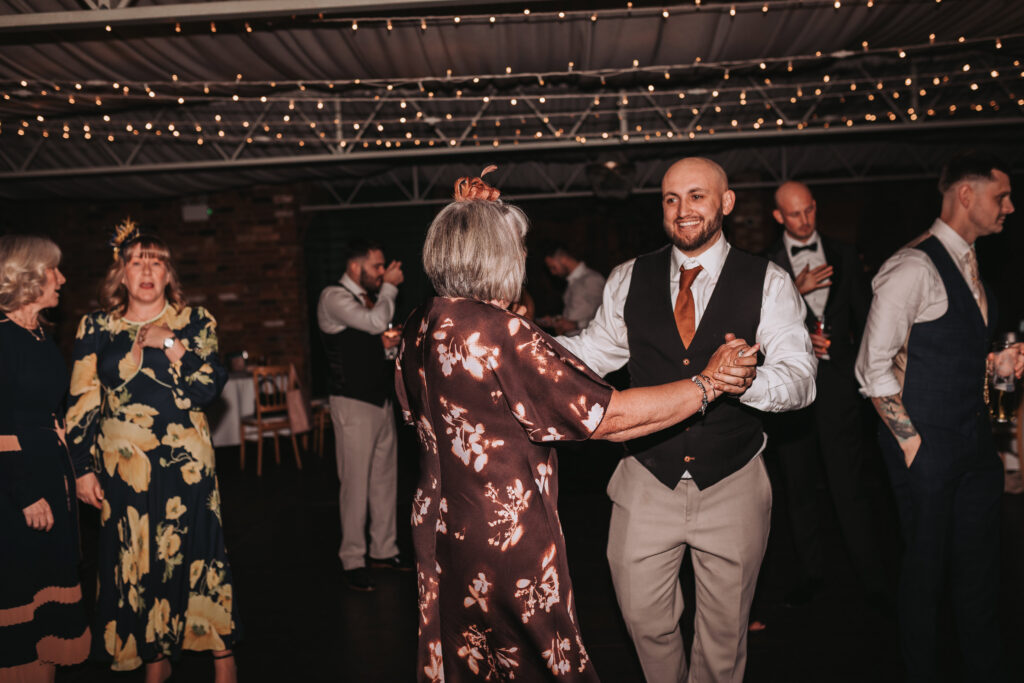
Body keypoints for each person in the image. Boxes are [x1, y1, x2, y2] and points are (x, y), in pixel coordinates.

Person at [395, 169, 759, 682]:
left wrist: (472, 219)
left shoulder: (421, 323)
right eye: (517, 249)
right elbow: (610, 419)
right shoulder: (500, 332)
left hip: (438, 525)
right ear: (497, 258)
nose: (523, 260)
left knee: (464, 659)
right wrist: (708, 383)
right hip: (504, 535)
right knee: (541, 662)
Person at [558, 157, 817, 683]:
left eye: (697, 196)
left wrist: (747, 381)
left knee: (723, 637)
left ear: (725, 202)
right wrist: (516, 349)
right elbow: (591, 352)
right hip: (645, 476)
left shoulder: (767, 281)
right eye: (671, 199)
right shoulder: (629, 277)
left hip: (734, 479)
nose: (683, 209)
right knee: (642, 618)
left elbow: (801, 379)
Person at [856, 150, 1021, 683]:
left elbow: (958, 360)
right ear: (966, 195)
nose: (1011, 208)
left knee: (979, 579)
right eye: (1002, 196)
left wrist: (1000, 366)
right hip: (926, 448)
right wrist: (912, 445)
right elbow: (871, 367)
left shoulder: (973, 267)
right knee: (924, 580)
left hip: (975, 448)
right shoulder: (912, 266)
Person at [67, 226, 238, 683]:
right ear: (120, 273)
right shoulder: (96, 327)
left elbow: (209, 387)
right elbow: (83, 401)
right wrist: (82, 469)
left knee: (198, 556)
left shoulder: (195, 321)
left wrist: (169, 342)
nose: (146, 270)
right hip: (125, 472)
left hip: (187, 467)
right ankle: (154, 659)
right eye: (137, 261)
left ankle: (223, 658)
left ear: (168, 274)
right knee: (137, 560)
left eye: (156, 261)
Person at [762, 181, 887, 606]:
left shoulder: (844, 253)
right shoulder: (765, 266)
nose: (805, 220)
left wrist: (841, 349)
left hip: (837, 387)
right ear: (778, 216)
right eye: (794, 214)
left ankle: (872, 577)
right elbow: (751, 331)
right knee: (797, 487)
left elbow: (868, 321)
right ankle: (812, 575)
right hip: (788, 390)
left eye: (810, 210)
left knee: (848, 484)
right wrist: (792, 294)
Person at [0, 235, 90, 682]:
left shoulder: (38, 333)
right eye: (55, 271)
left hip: (50, 478)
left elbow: (56, 410)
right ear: (30, 277)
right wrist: (26, 493)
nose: (63, 279)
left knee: (47, 613)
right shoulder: (3, 337)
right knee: (22, 606)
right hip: (21, 491)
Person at [317, 239, 406, 591]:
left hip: (380, 400)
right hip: (351, 403)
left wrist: (389, 346)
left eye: (383, 268)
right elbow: (373, 323)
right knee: (355, 484)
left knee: (384, 480)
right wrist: (389, 290)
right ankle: (353, 558)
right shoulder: (333, 297)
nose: (382, 273)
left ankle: (384, 549)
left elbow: (375, 338)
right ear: (356, 267)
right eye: (377, 267)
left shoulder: (367, 298)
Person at [536, 242, 605, 336]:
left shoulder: (592, 279)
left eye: (553, 267)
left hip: (588, 343)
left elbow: (603, 315)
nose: (553, 273)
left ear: (563, 259)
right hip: (573, 342)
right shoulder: (572, 282)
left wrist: (576, 325)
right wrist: (554, 320)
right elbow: (576, 313)